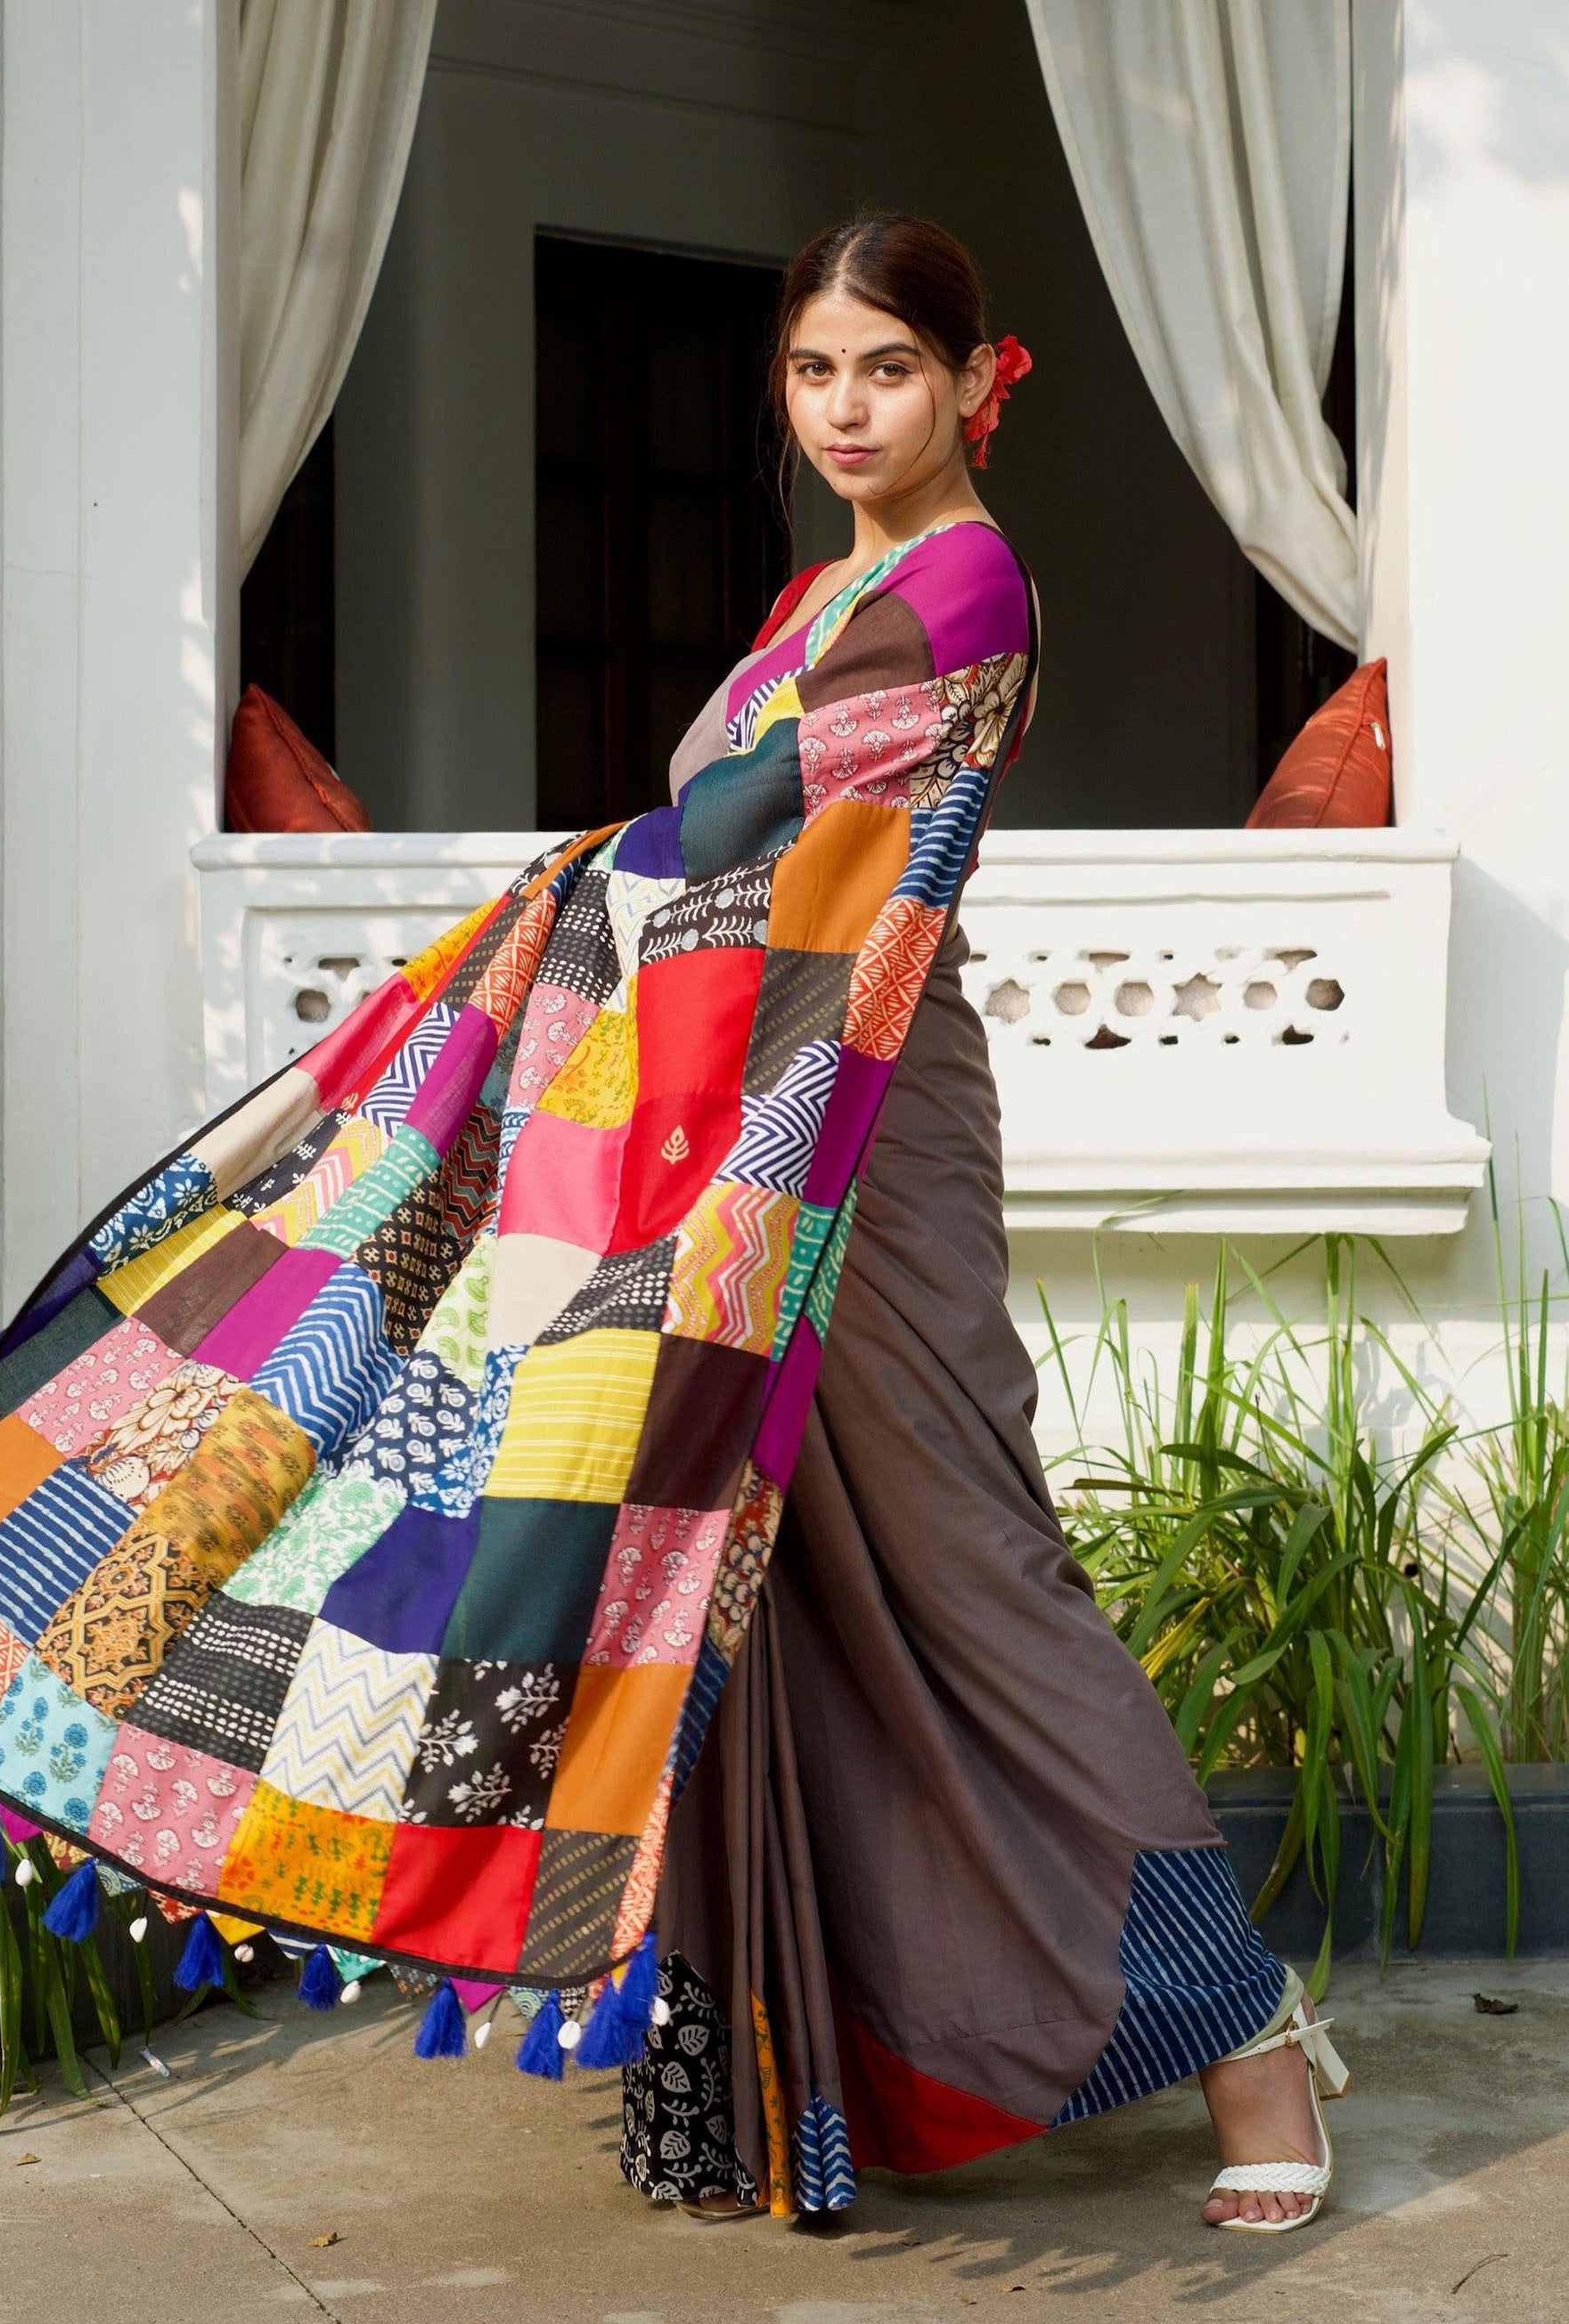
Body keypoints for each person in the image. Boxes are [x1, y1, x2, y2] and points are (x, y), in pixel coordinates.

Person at [617, 213, 1348, 2234]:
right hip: (744, 1109)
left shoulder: (965, 586)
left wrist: (582, 905)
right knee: (762, 1580)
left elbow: (735, 826)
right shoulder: (814, 590)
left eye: (888, 370)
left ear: (969, 382)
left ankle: (1249, 2039)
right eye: (813, 371)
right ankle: (813, 2058)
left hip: (869, 1114)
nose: (847, 409)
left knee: (969, 1558)